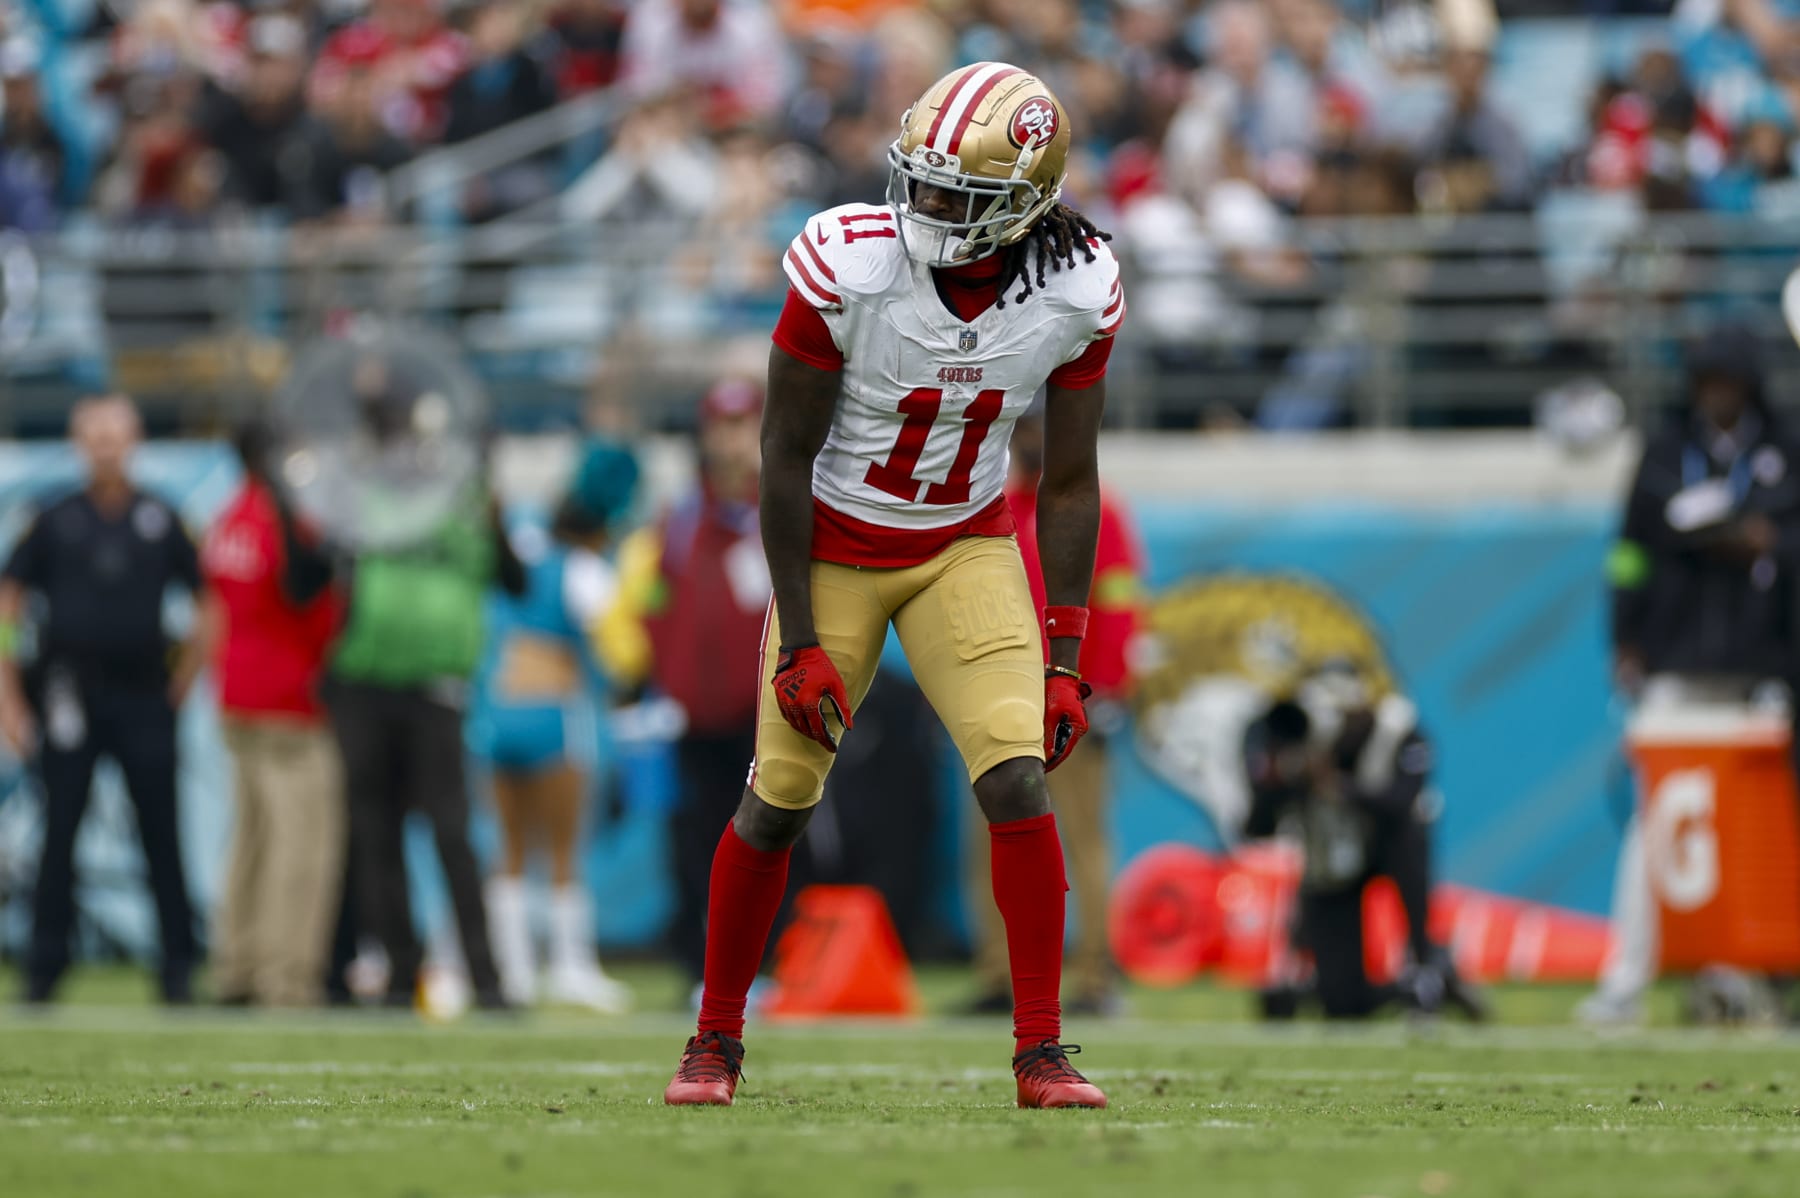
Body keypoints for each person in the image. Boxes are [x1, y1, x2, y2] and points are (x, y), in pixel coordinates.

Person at [662, 63, 1123, 1109]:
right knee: (778, 798)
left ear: (1024, 205)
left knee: (1015, 776)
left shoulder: (1077, 284)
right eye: (921, 179)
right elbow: (779, 457)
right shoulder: (847, 262)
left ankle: (1042, 1051)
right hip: (829, 544)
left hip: (962, 546)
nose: (928, 207)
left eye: (960, 193)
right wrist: (805, 635)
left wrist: (1062, 655)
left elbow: (1071, 480)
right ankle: (715, 1038)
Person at [1582, 323, 1800, 1025]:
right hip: (1678, 659)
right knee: (1658, 820)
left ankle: (1745, 976)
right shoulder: (1668, 449)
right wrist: (1625, 635)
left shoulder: (1783, 448)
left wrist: (1767, 543)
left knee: (1756, 831)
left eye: (1729, 382)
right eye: (1708, 382)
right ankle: (1626, 979)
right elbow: (1630, 552)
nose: (1718, 395)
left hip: (1762, 664)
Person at [0, 395, 212, 1004]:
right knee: (59, 829)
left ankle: (177, 969)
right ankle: (44, 968)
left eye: (116, 436)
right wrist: (11, 695)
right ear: (78, 443)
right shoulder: (53, 518)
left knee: (162, 833)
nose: (106, 447)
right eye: (94, 436)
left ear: (135, 441)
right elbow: (10, 601)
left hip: (145, 693)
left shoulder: (161, 518)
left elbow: (207, 604)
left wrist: (185, 677)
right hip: (69, 691)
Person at [326, 385, 526, 1013]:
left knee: (451, 832)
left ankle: (486, 979)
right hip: (365, 678)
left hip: (438, 685)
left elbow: (513, 580)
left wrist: (493, 512)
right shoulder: (362, 494)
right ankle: (398, 974)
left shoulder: (466, 498)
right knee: (376, 832)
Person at [966, 404, 1143, 1017]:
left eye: (1044, 426)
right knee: (990, 839)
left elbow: (1118, 603)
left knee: (1084, 843)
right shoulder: (994, 506)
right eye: (1027, 427)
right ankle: (998, 975)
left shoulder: (1098, 508)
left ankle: (1096, 976)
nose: (1034, 439)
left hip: (1071, 700)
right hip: (997, 699)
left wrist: (1108, 688)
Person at [602, 379, 773, 999]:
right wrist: (650, 676)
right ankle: (703, 972)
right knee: (695, 846)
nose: (729, 440)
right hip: (692, 717)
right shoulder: (679, 520)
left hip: (767, 714)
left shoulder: (782, 506)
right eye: (720, 426)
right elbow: (648, 603)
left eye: (741, 425)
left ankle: (766, 967)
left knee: (767, 841)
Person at [472, 442, 637, 1013]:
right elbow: (622, 653)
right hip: (556, 721)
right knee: (565, 849)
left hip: (497, 713)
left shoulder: (521, 544)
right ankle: (571, 967)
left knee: (509, 849)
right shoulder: (586, 569)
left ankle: (512, 972)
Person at [1241, 663, 1486, 1021]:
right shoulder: (1303, 747)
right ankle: (1409, 988)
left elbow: (1402, 801)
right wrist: (1279, 780)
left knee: (1409, 849)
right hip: (1336, 860)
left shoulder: (1398, 731)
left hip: (1392, 845)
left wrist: (1341, 787)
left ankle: (1425, 965)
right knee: (1340, 1004)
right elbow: (1256, 829)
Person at [201, 417, 344, 1008]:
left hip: (239, 693)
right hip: (290, 699)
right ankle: (287, 978)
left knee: (252, 839)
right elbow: (306, 594)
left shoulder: (228, 519)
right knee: (303, 843)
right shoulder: (287, 519)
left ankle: (238, 965)